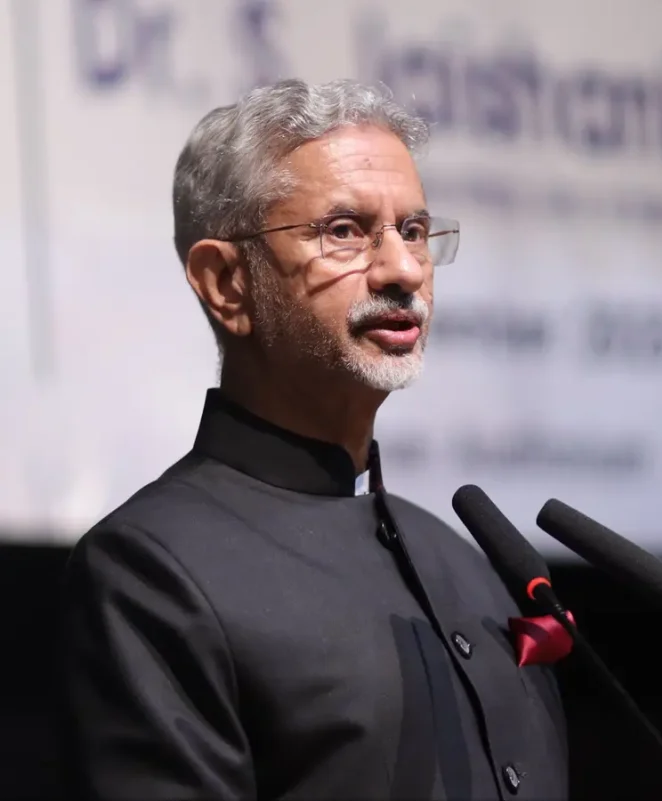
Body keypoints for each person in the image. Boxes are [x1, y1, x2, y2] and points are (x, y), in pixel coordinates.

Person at [58, 78, 568, 800]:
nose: (400, 270)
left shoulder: (468, 567)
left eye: (415, 231)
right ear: (227, 282)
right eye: (344, 231)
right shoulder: (151, 573)